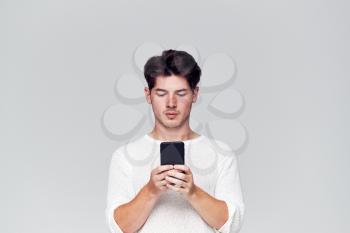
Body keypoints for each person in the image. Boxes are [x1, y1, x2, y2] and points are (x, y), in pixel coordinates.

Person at [105, 49, 245, 233]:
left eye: (181, 93)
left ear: (195, 94)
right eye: (162, 93)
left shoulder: (220, 153)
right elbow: (118, 228)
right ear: (148, 95)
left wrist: (192, 192)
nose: (171, 103)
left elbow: (232, 225)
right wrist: (151, 190)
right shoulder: (125, 156)